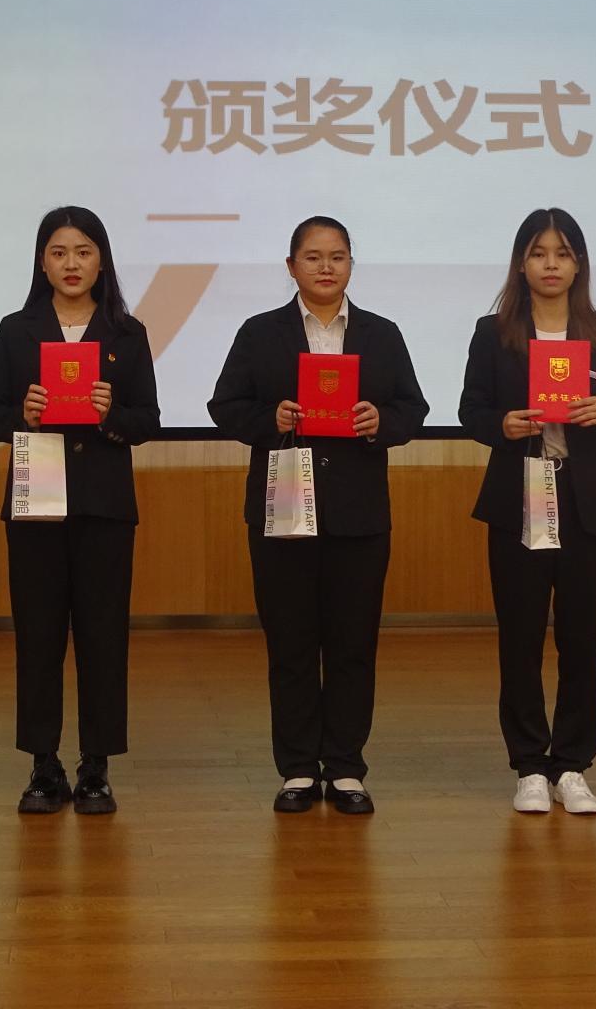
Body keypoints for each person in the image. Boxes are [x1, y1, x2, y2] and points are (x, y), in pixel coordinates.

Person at [208, 216, 428, 815]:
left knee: (354, 644)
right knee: (291, 645)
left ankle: (347, 767)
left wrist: (381, 422)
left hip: (359, 514)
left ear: (351, 264)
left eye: (337, 256)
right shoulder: (261, 333)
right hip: (283, 507)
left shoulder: (382, 334)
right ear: (291, 266)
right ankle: (299, 768)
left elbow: (413, 407)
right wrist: (271, 420)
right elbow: (224, 405)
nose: (326, 267)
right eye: (312, 256)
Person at [0, 207, 159, 815]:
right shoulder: (16, 329)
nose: (71, 264)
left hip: (104, 505)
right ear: (42, 262)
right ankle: (43, 765)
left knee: (103, 638)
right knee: (38, 636)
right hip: (35, 499)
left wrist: (111, 415)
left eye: (83, 252)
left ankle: (96, 767)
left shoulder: (126, 333)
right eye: (59, 252)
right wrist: (22, 415)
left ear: (101, 261)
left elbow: (147, 420)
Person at [459, 208, 596, 816]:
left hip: (587, 502)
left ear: (578, 263)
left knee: (583, 640)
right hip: (519, 496)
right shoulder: (494, 331)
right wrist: (502, 424)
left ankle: (573, 765)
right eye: (538, 253)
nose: (551, 265)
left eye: (562, 253)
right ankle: (530, 765)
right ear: (521, 263)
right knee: (521, 638)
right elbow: (471, 410)